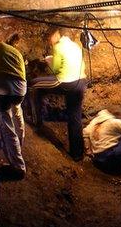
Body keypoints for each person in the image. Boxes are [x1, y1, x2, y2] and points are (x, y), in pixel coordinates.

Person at [29, 26, 87, 161]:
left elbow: (54, 70)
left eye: (50, 38)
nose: (49, 41)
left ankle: (37, 122)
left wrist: (50, 61)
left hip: (66, 82)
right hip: (81, 82)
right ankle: (77, 154)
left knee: (35, 85)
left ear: (55, 35)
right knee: (75, 117)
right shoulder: (75, 45)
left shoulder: (58, 46)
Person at [0, 33, 27, 180]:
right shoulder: (17, 53)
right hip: (20, 90)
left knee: (6, 126)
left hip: (3, 87)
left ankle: (18, 167)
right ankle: (20, 143)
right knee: (17, 112)